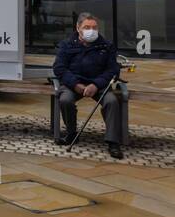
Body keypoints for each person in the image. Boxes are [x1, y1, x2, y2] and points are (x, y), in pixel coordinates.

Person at [52, 12, 124, 158]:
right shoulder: (66, 45)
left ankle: (113, 141)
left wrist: (96, 85)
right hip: (74, 84)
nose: (91, 30)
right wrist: (76, 84)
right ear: (78, 28)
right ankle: (72, 134)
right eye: (87, 27)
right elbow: (59, 68)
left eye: (94, 27)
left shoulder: (106, 46)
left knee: (111, 101)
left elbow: (113, 70)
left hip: (98, 84)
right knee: (65, 100)